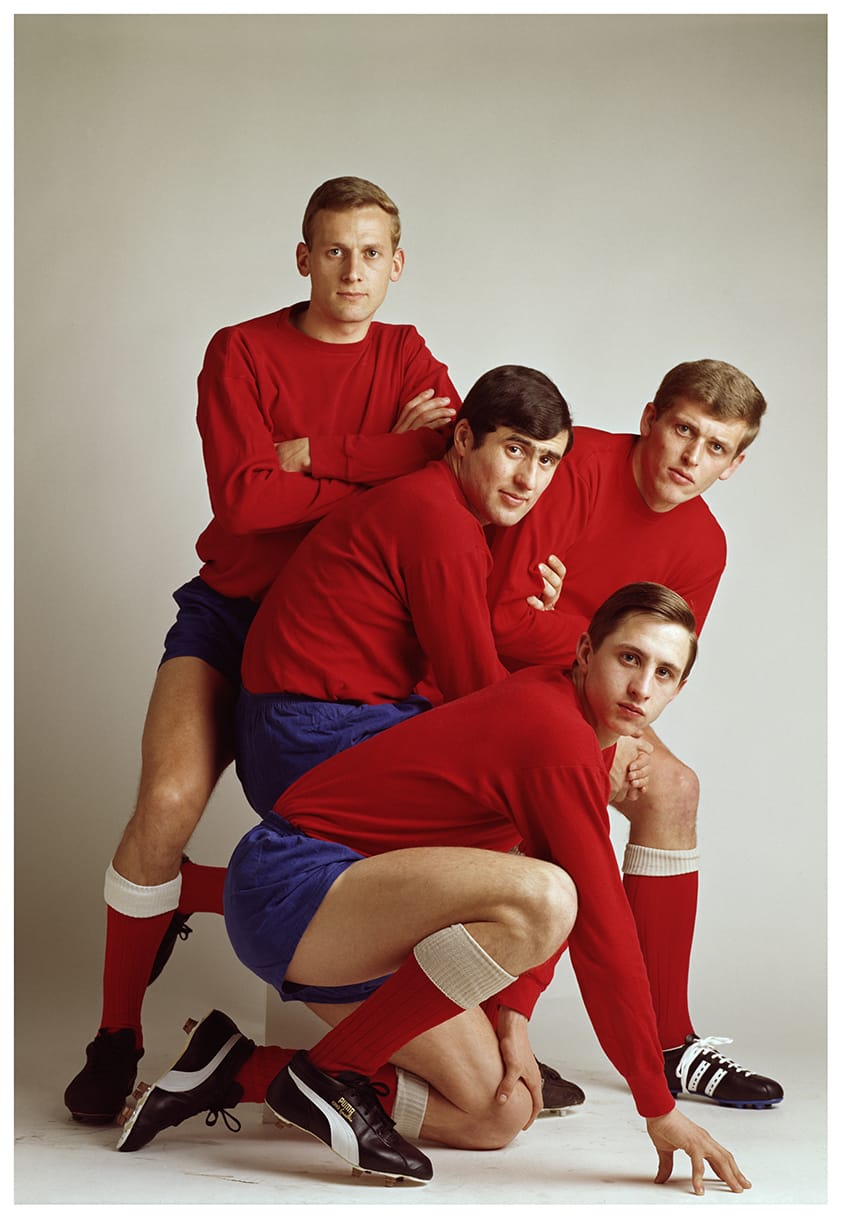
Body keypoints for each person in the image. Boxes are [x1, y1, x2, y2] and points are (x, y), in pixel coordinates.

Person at [114, 585, 753, 1196]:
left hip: (373, 919)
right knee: (551, 895)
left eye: (664, 674)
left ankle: (236, 1069)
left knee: (500, 1114)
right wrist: (657, 1105)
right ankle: (334, 1071)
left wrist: (514, 1018)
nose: (642, 687)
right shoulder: (553, 731)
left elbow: (544, 861)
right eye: (629, 658)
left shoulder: (577, 736)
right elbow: (600, 931)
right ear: (586, 653)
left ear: (680, 688)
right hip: (295, 884)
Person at [64, 175, 461, 1125]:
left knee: (381, 843)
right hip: (238, 614)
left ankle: (436, 1043)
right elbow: (244, 505)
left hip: (345, 640)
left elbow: (444, 469)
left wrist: (311, 455)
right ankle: (118, 1033)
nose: (351, 270)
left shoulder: (409, 353)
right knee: (165, 803)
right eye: (332, 250)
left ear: (398, 264)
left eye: (370, 253)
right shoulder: (239, 350)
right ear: (303, 258)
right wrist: (377, 462)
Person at [484, 359, 783, 1107]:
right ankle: (501, 1021)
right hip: (494, 686)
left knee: (674, 787)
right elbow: (505, 621)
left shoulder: (704, 545)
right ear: (651, 417)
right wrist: (583, 644)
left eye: (716, 447)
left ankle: (668, 1041)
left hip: (584, 692)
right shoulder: (578, 462)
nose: (691, 457)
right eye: (684, 429)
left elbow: (661, 669)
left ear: (736, 462)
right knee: (565, 802)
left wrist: (612, 717)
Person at [235, 362, 572, 814]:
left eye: (546, 459)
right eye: (515, 449)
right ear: (465, 438)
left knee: (520, 793)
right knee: (522, 797)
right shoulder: (442, 523)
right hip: (309, 736)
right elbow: (476, 691)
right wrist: (575, 725)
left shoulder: (433, 499)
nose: (529, 480)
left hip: (305, 724)